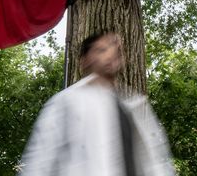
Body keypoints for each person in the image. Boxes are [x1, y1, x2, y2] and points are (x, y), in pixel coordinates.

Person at [17, 30, 175, 176]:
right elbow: (40, 161)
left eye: (115, 50)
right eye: (101, 50)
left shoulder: (135, 107)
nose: (111, 54)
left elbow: (155, 162)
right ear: (85, 60)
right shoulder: (66, 101)